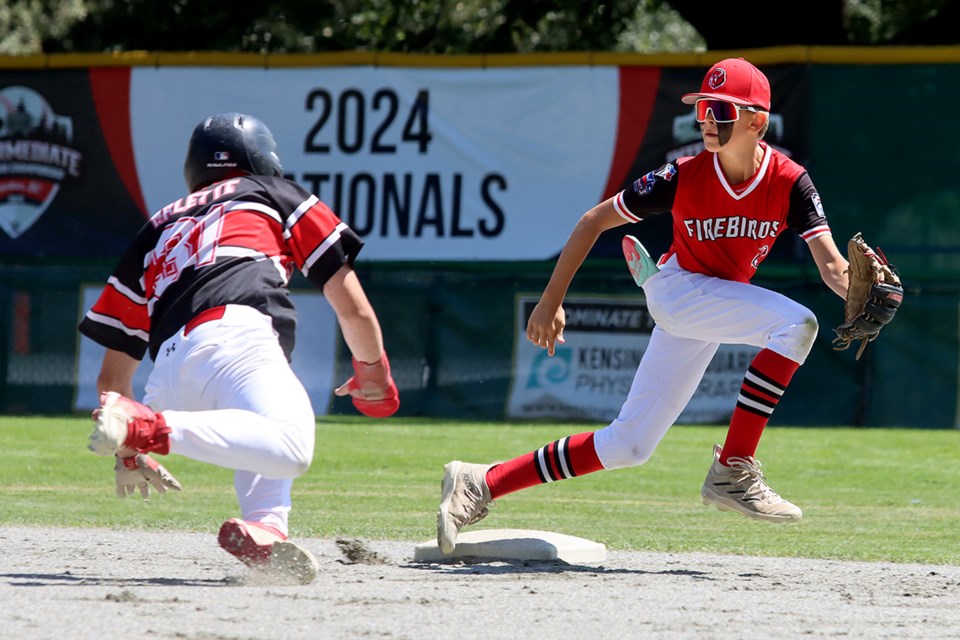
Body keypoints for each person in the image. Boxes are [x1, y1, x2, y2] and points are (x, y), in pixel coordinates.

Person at [437, 57, 852, 554]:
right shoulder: (681, 175)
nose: (706, 121)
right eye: (701, 109)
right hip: (685, 292)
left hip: (709, 305)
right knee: (796, 325)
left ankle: (481, 481)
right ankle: (732, 468)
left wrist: (860, 293)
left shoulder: (790, 181)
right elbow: (593, 221)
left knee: (628, 445)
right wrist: (551, 301)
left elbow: (832, 267)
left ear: (756, 121)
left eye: (720, 109)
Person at [79, 112, 399, 583]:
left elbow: (111, 382)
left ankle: (266, 528)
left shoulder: (158, 226)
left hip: (166, 371)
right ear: (262, 158)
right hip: (232, 335)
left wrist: (127, 451)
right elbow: (353, 309)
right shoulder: (272, 192)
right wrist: (374, 370)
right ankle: (152, 428)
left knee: (266, 423)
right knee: (291, 443)